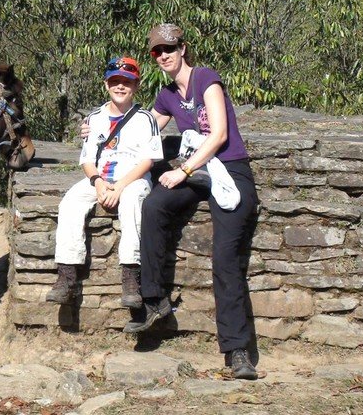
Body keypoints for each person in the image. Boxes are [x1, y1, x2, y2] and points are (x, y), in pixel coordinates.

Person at [122, 23, 260, 381]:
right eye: (156, 52)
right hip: (198, 173)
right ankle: (155, 301)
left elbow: (219, 135)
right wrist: (101, 126)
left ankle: (238, 352)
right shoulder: (167, 95)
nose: (163, 55)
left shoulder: (206, 79)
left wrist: (182, 171)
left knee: (225, 260)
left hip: (229, 169)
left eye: (169, 48)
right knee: (153, 206)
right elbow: (143, 127)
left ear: (183, 48)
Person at [46, 57, 163, 308]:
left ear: (136, 86)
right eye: (115, 81)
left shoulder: (145, 119)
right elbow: (87, 160)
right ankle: (66, 276)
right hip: (100, 177)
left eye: (127, 82)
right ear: (106, 84)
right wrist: (98, 182)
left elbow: (148, 161)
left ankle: (131, 276)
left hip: (133, 179)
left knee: (132, 203)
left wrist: (120, 186)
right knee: (70, 203)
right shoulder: (94, 118)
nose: (120, 87)